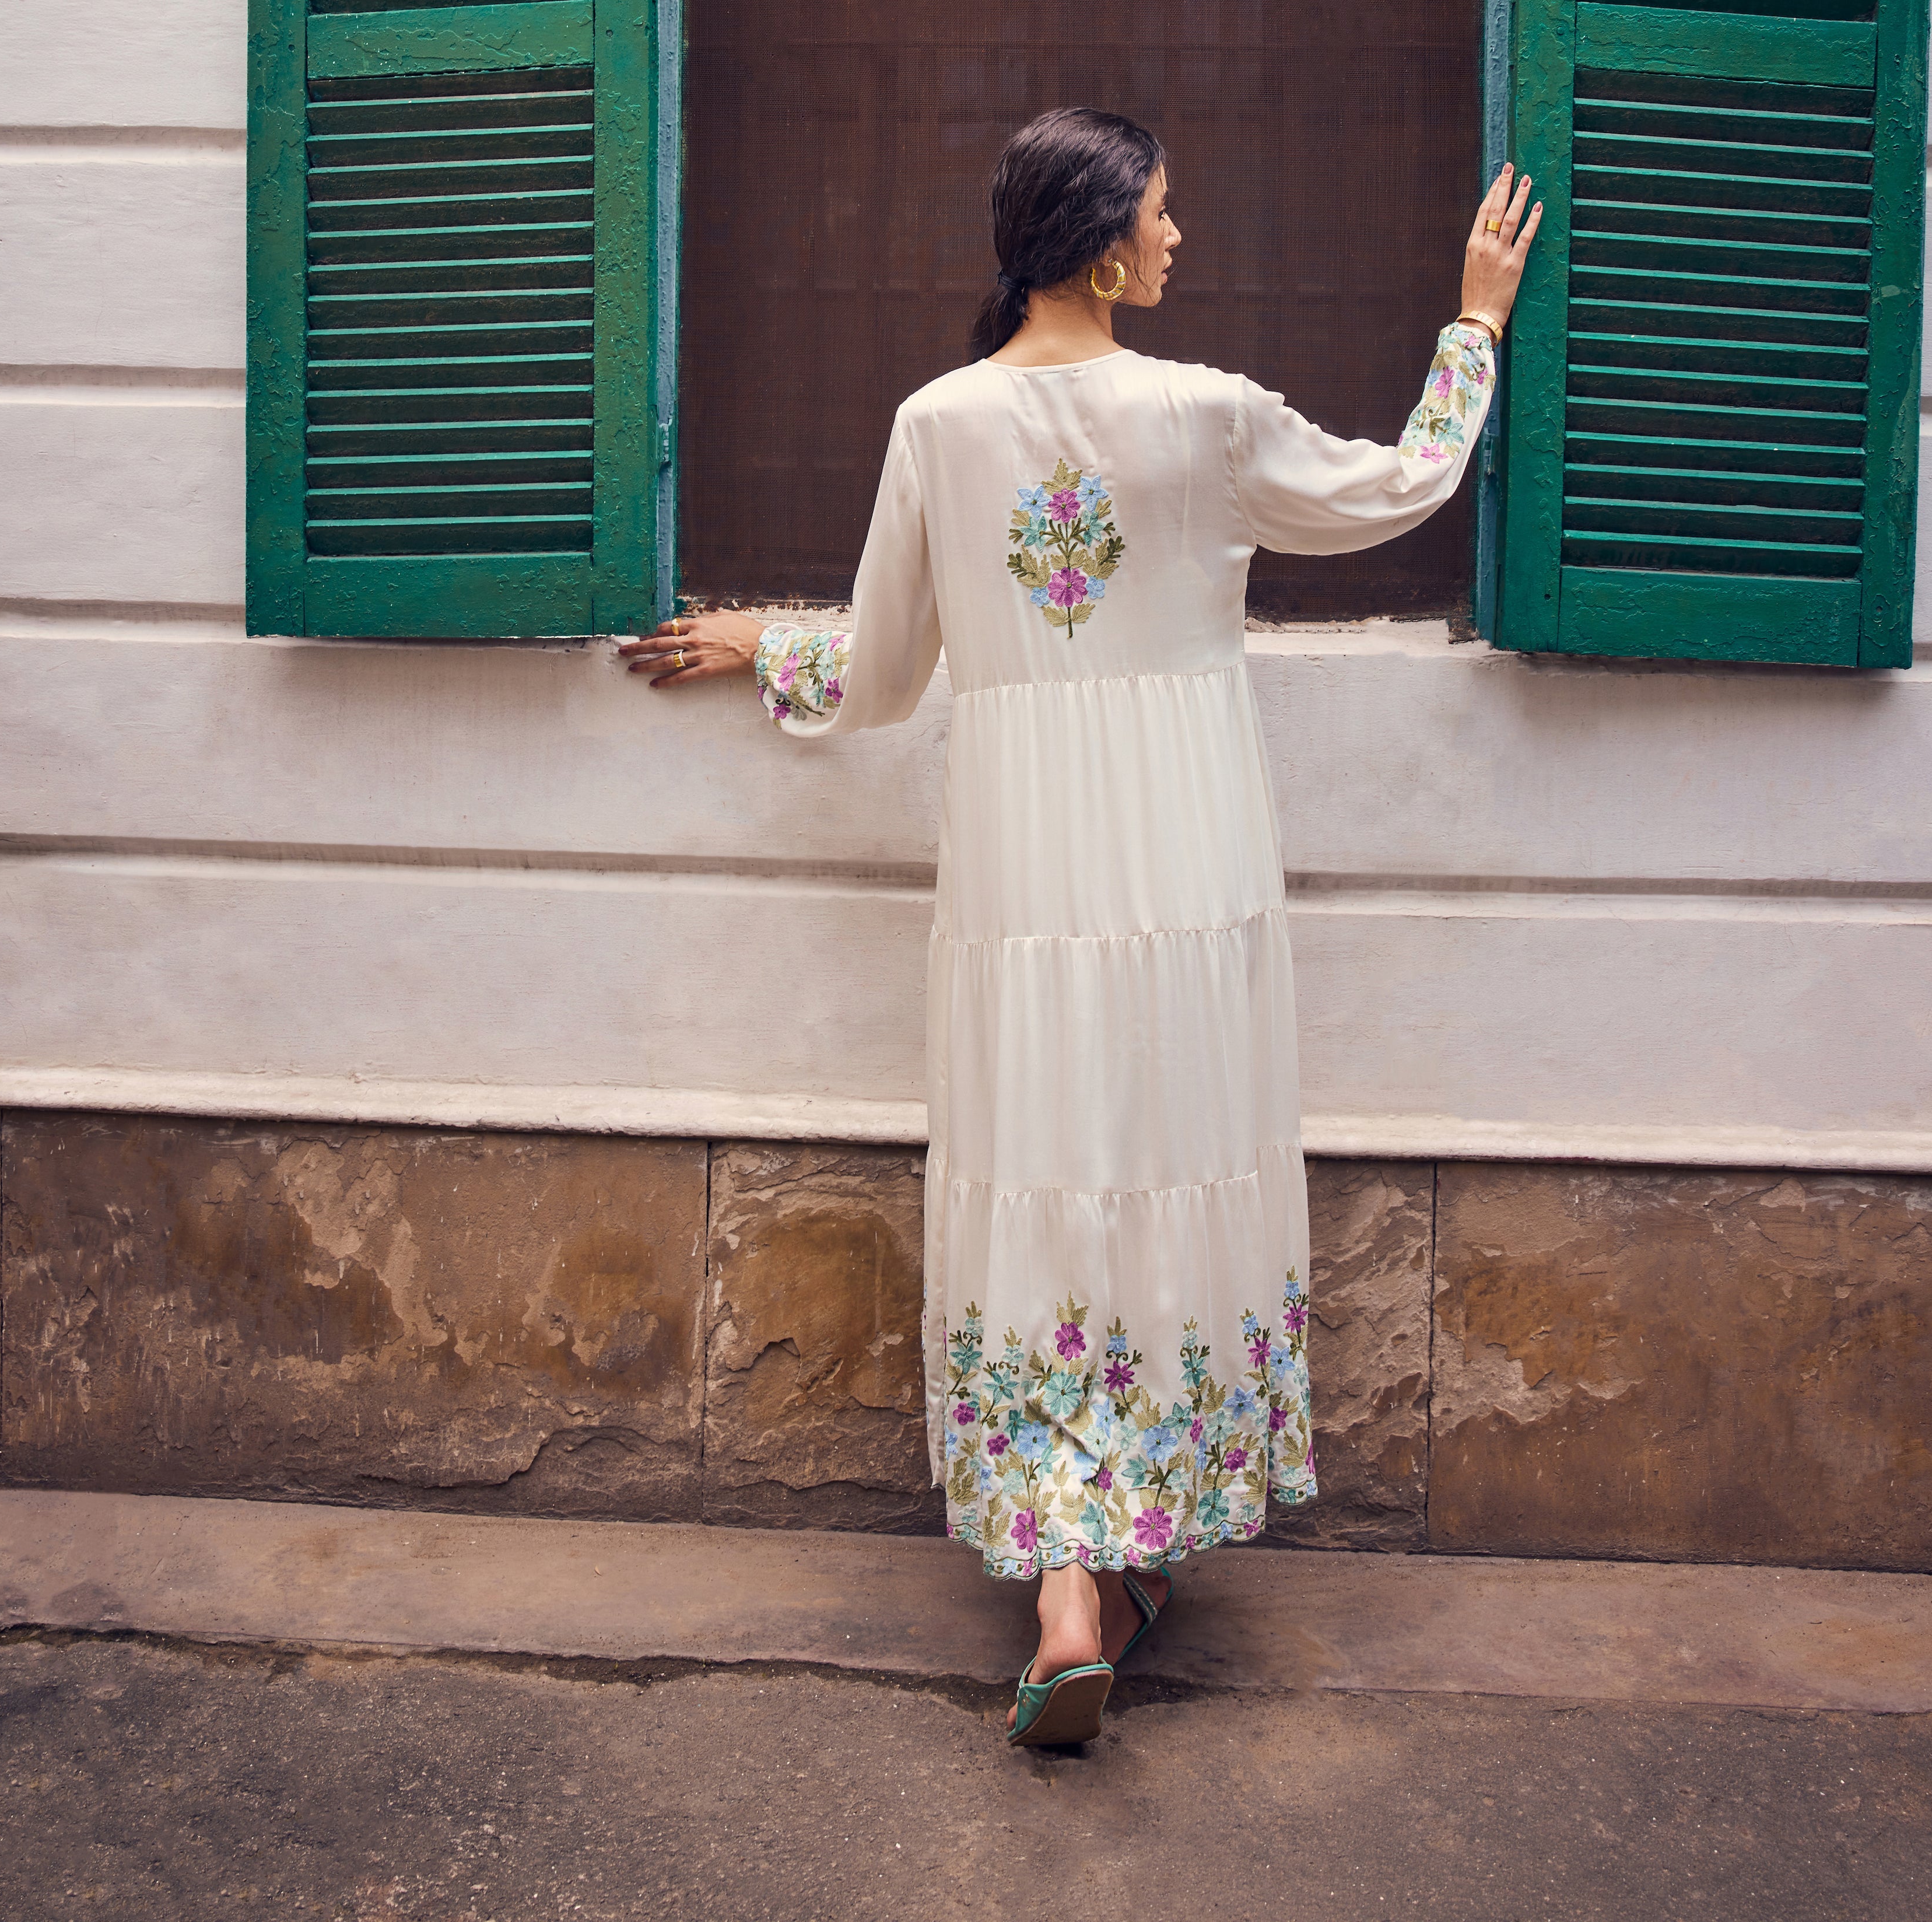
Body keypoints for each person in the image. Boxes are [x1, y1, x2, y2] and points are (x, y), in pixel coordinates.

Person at [623, 109, 1540, 1746]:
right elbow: (1404, 483)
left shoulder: (936, 426)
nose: (1182, 243)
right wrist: (1473, 325)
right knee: (1167, 1155)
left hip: (1025, 863)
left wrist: (765, 642)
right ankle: (1118, 1563)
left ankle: (1071, 1584)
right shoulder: (1205, 419)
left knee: (1045, 1160)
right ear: (1107, 240)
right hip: (1185, 850)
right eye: (1168, 217)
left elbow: (890, 675)